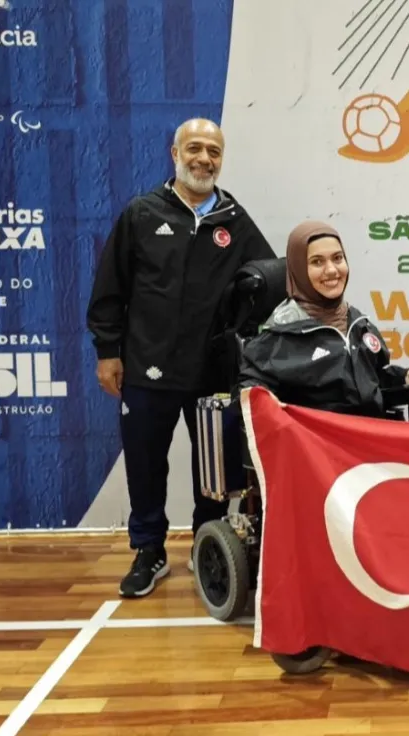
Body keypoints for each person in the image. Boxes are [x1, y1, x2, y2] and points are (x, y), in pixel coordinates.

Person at [86, 117, 276, 599]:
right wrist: (108, 351)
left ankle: (206, 543)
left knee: (214, 470)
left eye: (214, 151)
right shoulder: (142, 213)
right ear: (175, 154)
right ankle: (148, 551)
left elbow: (268, 282)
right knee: (145, 464)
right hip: (145, 366)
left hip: (212, 371)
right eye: (194, 148)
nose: (204, 159)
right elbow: (110, 288)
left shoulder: (234, 220)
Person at [237, 220, 409, 416]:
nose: (332, 270)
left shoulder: (359, 323)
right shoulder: (278, 336)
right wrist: (263, 403)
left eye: (337, 258)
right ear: (299, 269)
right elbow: (248, 399)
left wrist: (404, 380)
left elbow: (369, 384)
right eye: (317, 262)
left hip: (367, 434)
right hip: (314, 437)